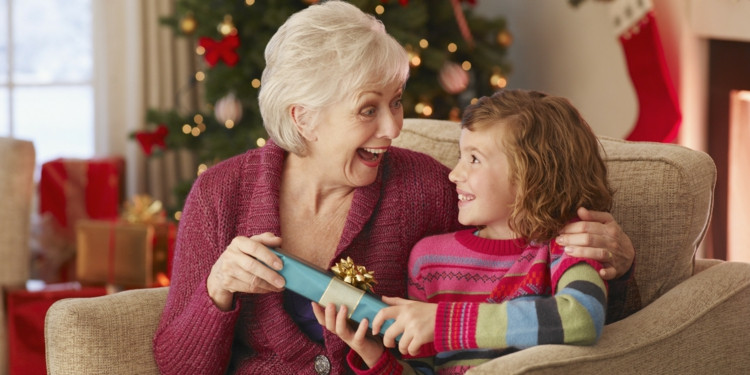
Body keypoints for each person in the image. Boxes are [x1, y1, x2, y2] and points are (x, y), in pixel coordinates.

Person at [153, 2, 635, 374]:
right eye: (368, 109)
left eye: (397, 102)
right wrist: (216, 292)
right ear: (305, 118)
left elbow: (527, 261)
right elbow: (177, 366)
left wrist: (618, 263)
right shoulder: (221, 194)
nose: (393, 127)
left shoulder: (424, 187)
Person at [314, 89, 615, 374]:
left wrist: (443, 323)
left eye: (474, 159)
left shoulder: (570, 241)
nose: (454, 174)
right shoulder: (429, 260)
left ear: (532, 174)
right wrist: (372, 353)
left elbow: (582, 319)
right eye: (461, 156)